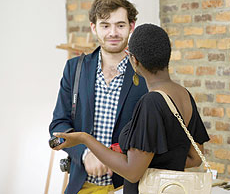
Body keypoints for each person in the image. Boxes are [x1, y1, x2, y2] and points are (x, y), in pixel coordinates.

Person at [53, 24, 210, 194]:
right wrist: (157, 162)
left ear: (134, 60)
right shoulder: (184, 95)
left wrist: (85, 138)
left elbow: (132, 173)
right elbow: (195, 158)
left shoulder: (151, 102)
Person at [49, 0, 148, 194]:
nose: (113, 32)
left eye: (120, 25)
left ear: (131, 27)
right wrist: (85, 154)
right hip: (80, 185)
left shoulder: (146, 74)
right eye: (105, 25)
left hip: (127, 187)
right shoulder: (74, 69)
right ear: (94, 28)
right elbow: (58, 126)